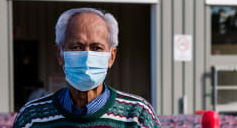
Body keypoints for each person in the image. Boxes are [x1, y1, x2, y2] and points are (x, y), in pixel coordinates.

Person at [13, 8, 161, 128]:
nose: (87, 56)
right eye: (77, 47)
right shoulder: (32, 117)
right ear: (60, 54)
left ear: (111, 57)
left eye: (97, 48)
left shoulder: (137, 116)